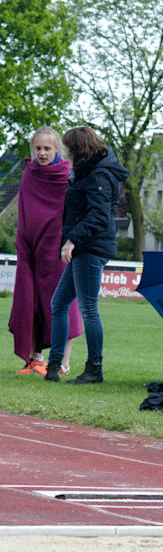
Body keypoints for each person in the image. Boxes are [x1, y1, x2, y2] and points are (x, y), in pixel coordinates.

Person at [45, 126, 128, 384]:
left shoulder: (98, 176)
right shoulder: (88, 172)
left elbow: (99, 215)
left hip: (91, 248)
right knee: (59, 304)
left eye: (70, 150)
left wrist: (71, 241)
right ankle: (54, 365)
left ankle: (94, 368)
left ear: (80, 150)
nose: (68, 155)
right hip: (84, 247)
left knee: (88, 309)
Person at [9, 126, 82, 377]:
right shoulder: (29, 174)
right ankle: (35, 359)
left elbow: (74, 212)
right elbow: (24, 211)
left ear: (57, 149)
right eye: (38, 148)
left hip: (58, 249)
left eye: (47, 148)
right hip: (30, 248)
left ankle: (62, 362)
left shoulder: (67, 175)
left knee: (62, 305)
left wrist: (70, 241)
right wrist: (24, 244)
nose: (42, 153)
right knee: (29, 301)